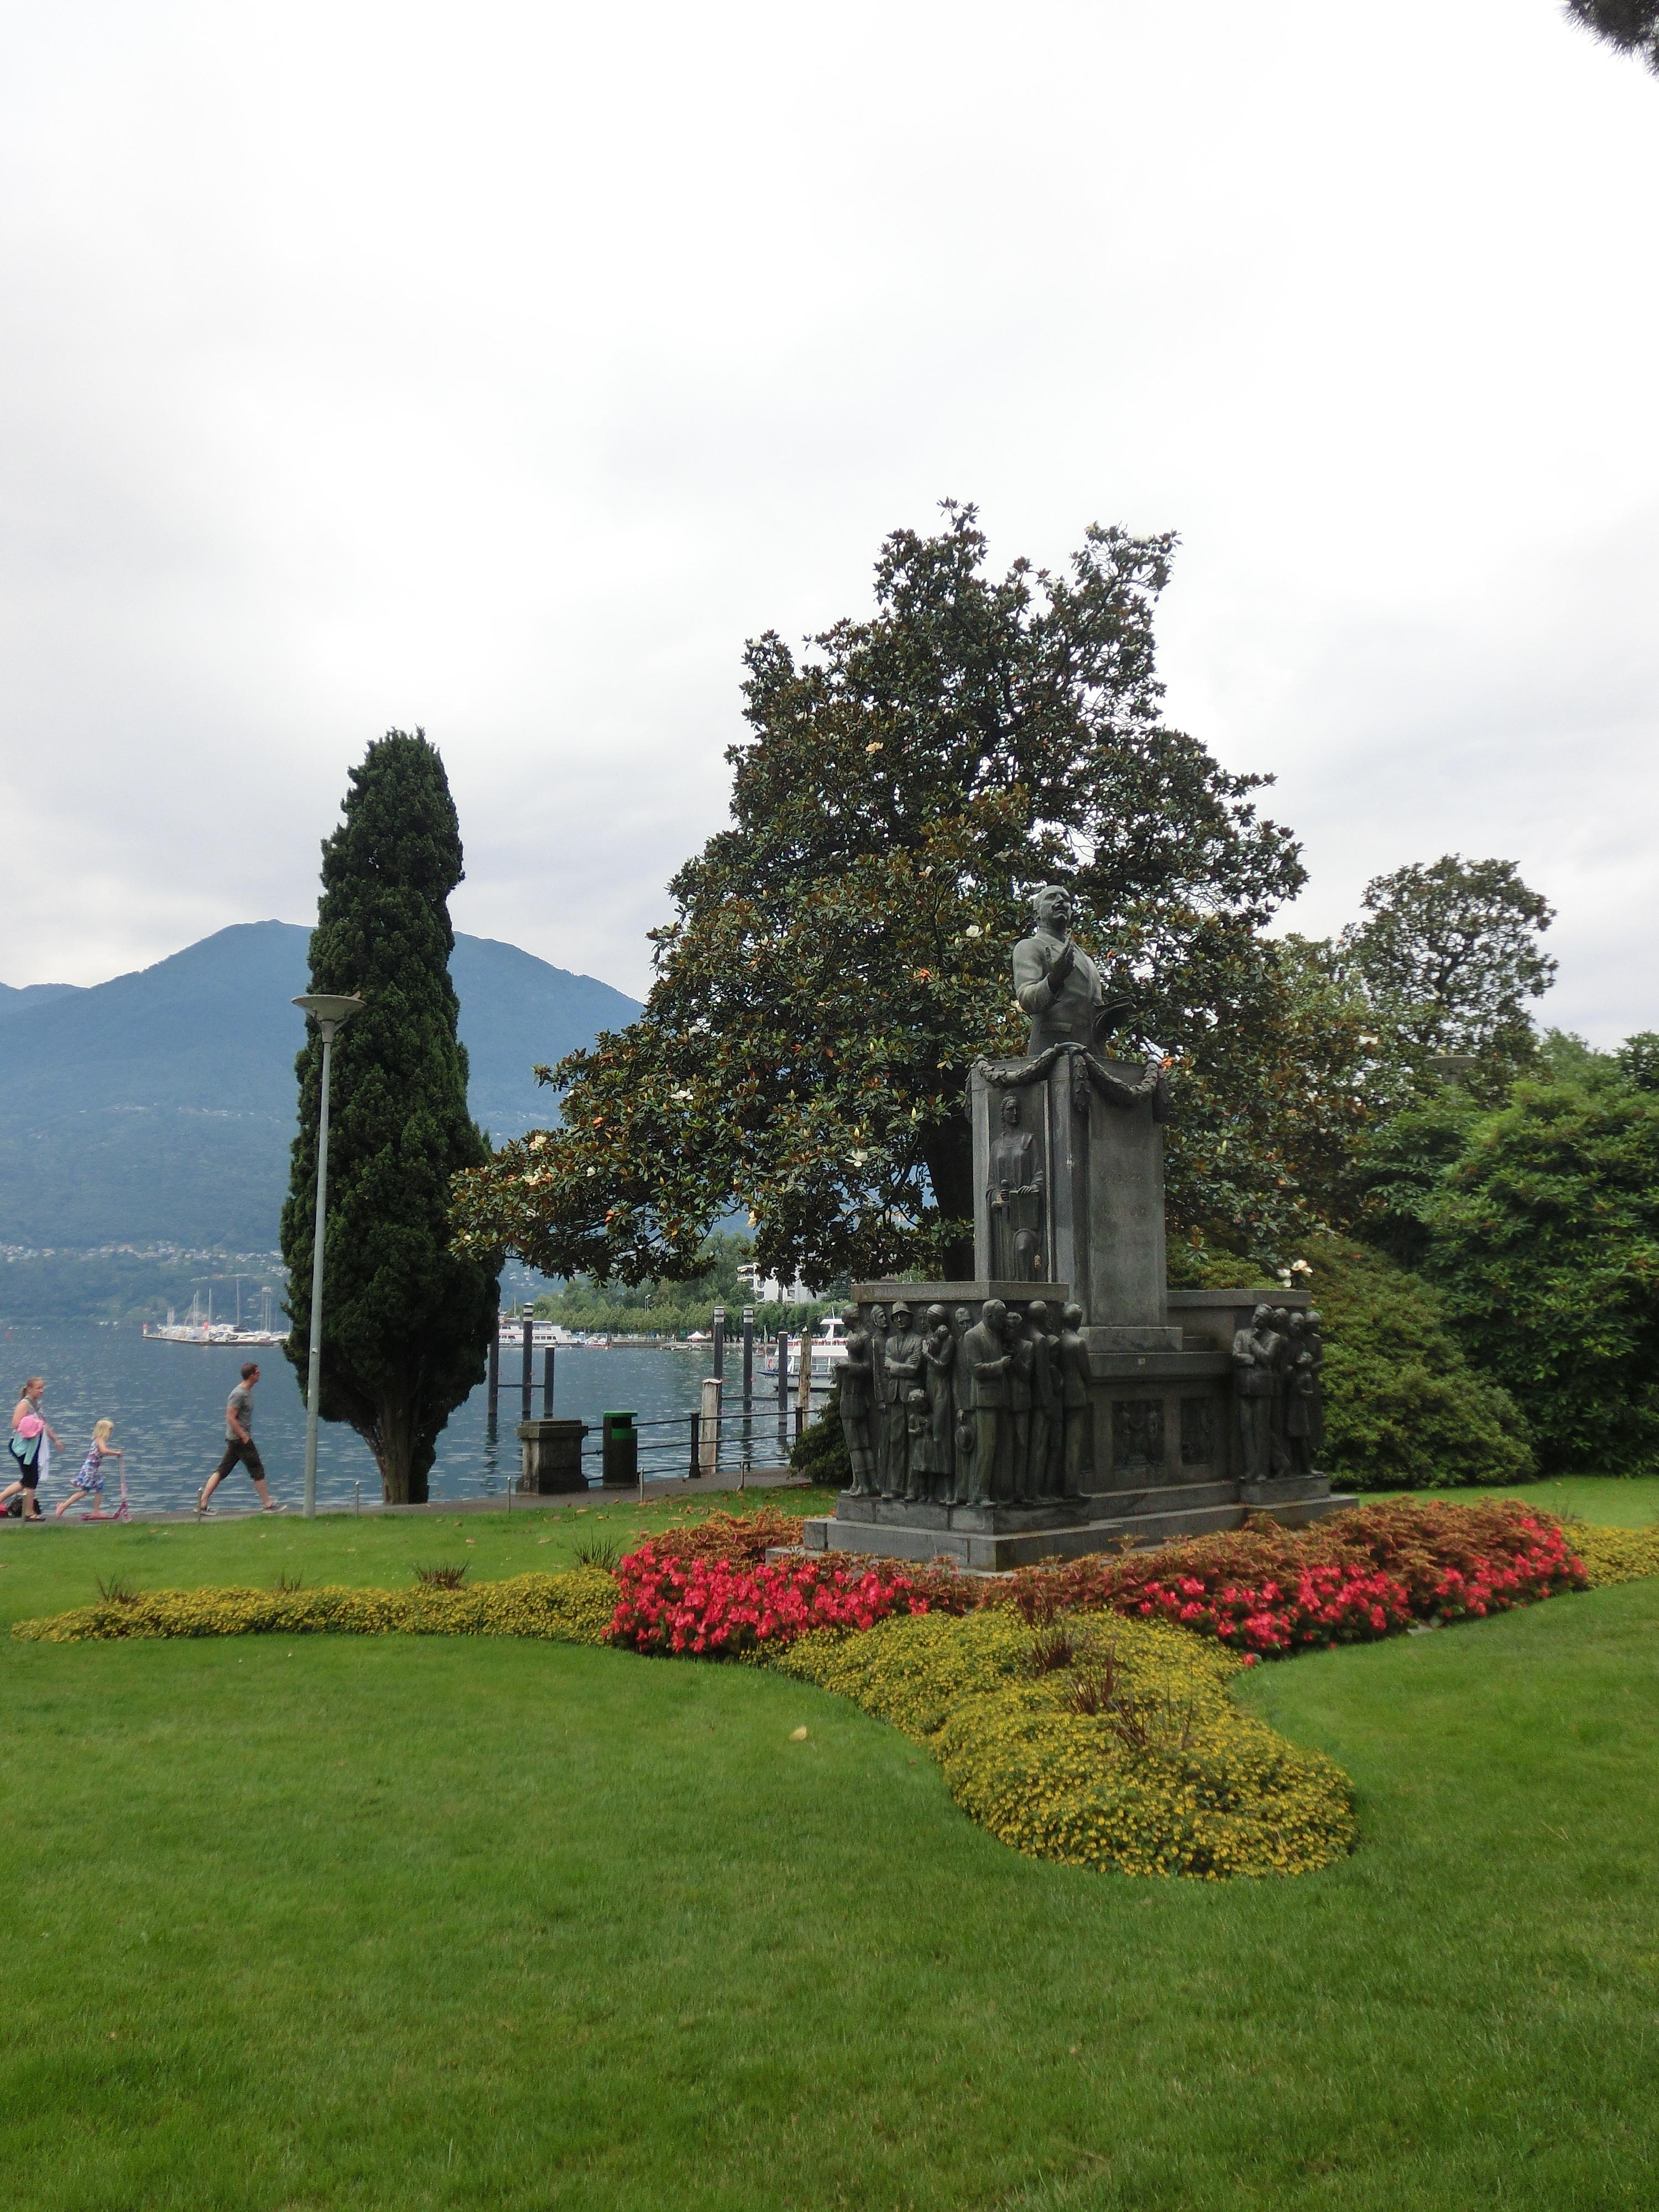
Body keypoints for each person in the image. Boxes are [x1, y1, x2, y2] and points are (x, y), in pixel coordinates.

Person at [198, 1363, 284, 1514]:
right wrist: (244, 1436)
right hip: (240, 1439)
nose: (259, 1375)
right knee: (257, 1469)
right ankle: (268, 1504)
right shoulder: (238, 1394)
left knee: (223, 1470)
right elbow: (231, 1417)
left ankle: (202, 1504)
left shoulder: (246, 1392)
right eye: (257, 1373)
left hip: (237, 1439)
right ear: (250, 1375)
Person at [3, 1378, 60, 1521]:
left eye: (42, 1388)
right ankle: (29, 1513)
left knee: (28, 1480)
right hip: (22, 1447)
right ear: (29, 1389)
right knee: (31, 1478)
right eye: (38, 1388)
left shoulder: (37, 1405)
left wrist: (55, 1440)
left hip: (32, 1447)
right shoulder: (25, 1404)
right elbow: (16, 1424)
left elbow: (44, 1424)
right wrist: (33, 1426)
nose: (41, 1390)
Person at [56, 1418, 122, 1517]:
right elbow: (104, 1451)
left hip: (94, 1470)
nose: (111, 1433)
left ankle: (96, 1511)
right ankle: (63, 1506)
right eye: (110, 1430)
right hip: (90, 1470)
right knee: (84, 1491)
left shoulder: (99, 1440)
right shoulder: (100, 1440)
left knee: (100, 1487)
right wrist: (115, 1453)